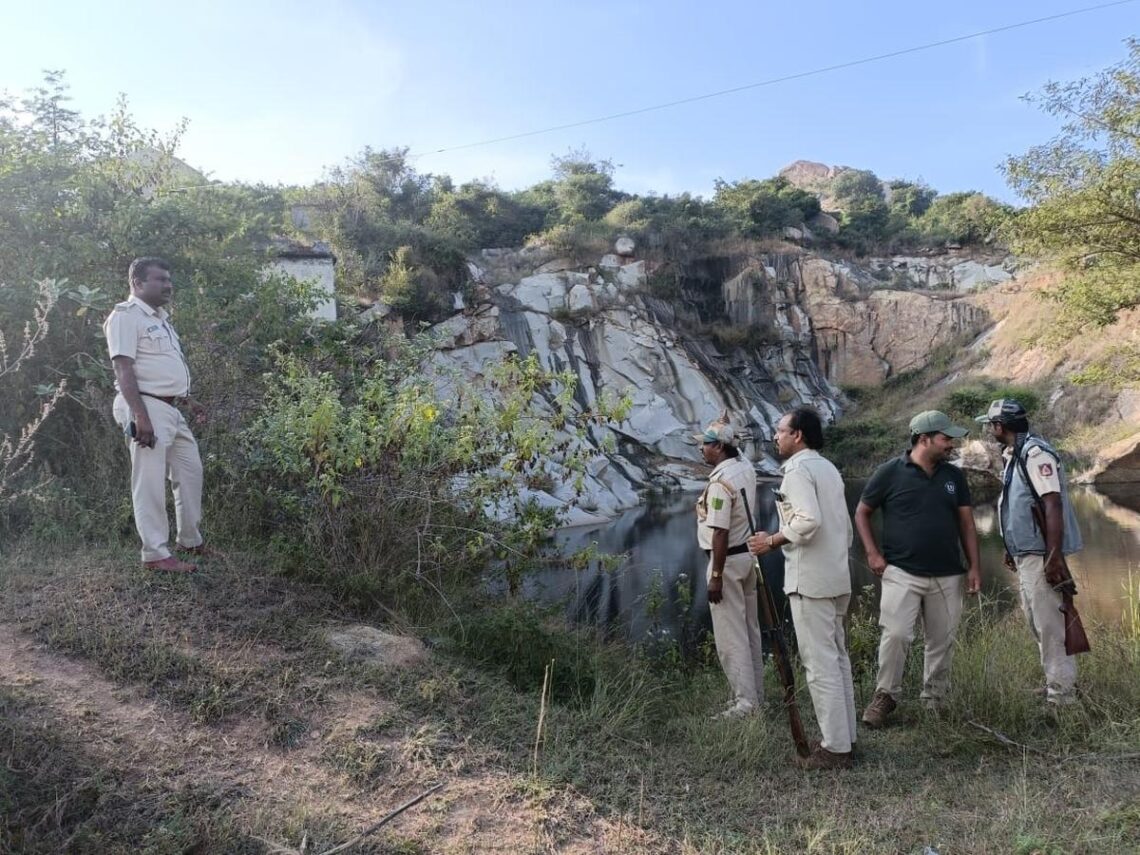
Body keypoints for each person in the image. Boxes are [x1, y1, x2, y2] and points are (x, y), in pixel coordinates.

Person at [855, 411, 981, 727]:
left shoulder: (954, 477)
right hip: (901, 571)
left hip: (948, 573)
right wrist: (872, 553)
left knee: (941, 640)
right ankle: (885, 697)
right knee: (895, 634)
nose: (951, 444)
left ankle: (935, 701)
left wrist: (974, 566)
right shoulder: (889, 472)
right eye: (945, 438)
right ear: (924, 439)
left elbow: (966, 524)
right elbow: (862, 512)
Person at [748, 408, 857, 770]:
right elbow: (845, 527)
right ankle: (845, 737)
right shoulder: (827, 468)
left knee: (819, 663)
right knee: (838, 658)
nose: (775, 437)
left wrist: (773, 540)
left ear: (798, 435)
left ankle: (835, 749)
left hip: (810, 579)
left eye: (780, 431)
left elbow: (808, 520)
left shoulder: (796, 470)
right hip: (837, 575)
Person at [976, 398, 1084, 705]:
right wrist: (1012, 547)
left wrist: (1052, 557)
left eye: (991, 424)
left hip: (1041, 556)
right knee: (1038, 622)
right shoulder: (1017, 454)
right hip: (1028, 554)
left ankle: (1062, 696)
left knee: (1050, 625)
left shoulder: (1035, 454)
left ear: (1000, 426)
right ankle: (1055, 682)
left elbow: (1052, 504)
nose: (989, 430)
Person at [103, 257, 208, 573]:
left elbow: (159, 368)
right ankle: (155, 555)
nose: (168, 285)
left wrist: (188, 401)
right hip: (145, 407)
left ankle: (190, 541)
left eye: (169, 279)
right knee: (148, 480)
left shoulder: (162, 319)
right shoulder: (126, 316)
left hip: (170, 408)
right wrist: (140, 416)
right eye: (160, 279)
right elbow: (123, 367)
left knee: (191, 472)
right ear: (137, 283)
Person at [695, 413, 763, 719]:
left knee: (730, 636)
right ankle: (755, 695)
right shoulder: (743, 467)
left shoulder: (721, 482)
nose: (702, 450)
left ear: (720, 447)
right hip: (748, 557)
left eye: (707, 444)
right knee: (750, 630)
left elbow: (719, 531)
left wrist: (716, 576)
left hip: (727, 562)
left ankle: (745, 704)